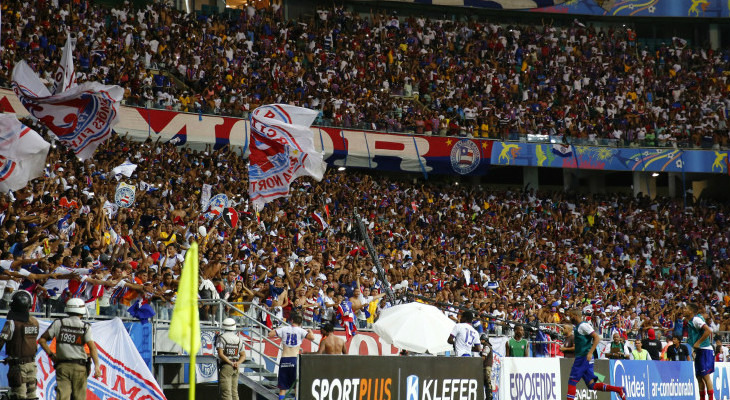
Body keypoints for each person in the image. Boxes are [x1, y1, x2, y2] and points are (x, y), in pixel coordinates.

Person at [39, 298, 102, 400]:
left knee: (62, 397)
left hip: (62, 366)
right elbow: (92, 348)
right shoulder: (85, 327)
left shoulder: (58, 323)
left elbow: (42, 340)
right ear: (81, 311)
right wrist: (97, 366)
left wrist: (51, 355)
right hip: (80, 368)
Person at [565, 309, 626, 400]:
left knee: (572, 381)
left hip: (583, 357)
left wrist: (590, 353)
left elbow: (596, 338)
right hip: (584, 357)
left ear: (575, 316)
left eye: (571, 316)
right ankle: (619, 389)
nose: (570, 318)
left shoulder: (583, 326)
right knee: (592, 385)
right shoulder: (579, 327)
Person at [0, 291, 40, 400]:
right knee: (32, 396)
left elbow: (1, 341)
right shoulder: (35, 322)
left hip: (17, 366)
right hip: (32, 364)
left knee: (18, 396)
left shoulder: (11, 323)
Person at [268, 313, 315, 400]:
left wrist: (277, 329)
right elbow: (312, 338)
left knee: (283, 387)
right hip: (294, 359)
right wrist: (310, 331)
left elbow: (270, 334)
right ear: (300, 323)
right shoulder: (301, 330)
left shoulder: (284, 329)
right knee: (296, 386)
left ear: (291, 321)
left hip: (284, 359)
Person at [686, 303, 715, 400]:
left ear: (690, 311)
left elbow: (708, 331)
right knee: (699, 377)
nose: (683, 310)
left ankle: (710, 398)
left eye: (686, 308)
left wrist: (698, 343)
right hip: (699, 351)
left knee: (705, 376)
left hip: (705, 350)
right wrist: (694, 348)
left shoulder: (696, 319)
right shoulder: (690, 321)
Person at [216, 318, 245, 400]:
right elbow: (243, 355)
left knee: (226, 393)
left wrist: (230, 362)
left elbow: (220, 354)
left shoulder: (221, 338)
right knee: (234, 393)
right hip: (236, 367)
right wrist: (237, 363)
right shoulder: (239, 339)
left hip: (226, 366)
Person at [480, 333, 494, 400]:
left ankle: (489, 397)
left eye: (482, 340)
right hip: (487, 367)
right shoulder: (487, 346)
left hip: (486, 367)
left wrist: (478, 363)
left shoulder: (487, 346)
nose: (480, 341)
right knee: (487, 382)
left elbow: (483, 357)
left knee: (487, 382)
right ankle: (489, 396)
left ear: (484, 340)